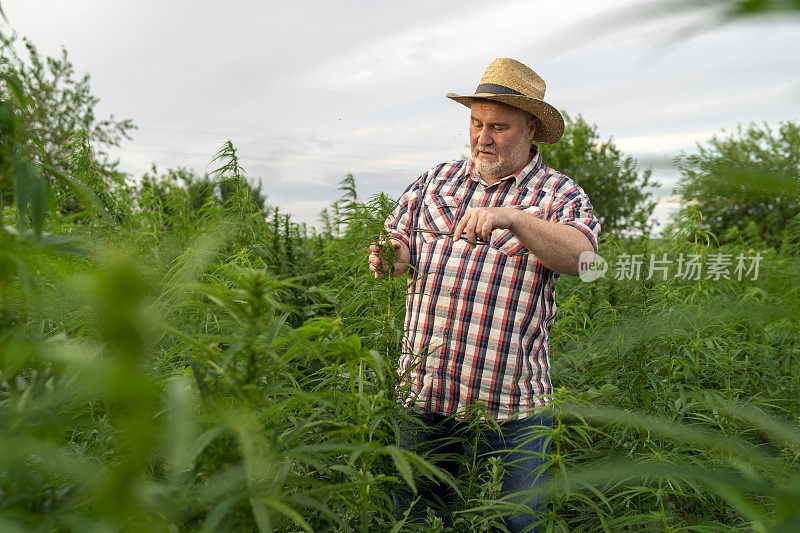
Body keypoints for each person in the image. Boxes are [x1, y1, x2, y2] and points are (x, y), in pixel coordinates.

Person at [368, 58, 601, 531]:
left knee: (514, 522)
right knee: (416, 518)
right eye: (475, 124)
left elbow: (586, 262)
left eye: (498, 127)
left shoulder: (557, 194)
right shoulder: (435, 180)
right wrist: (392, 257)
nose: (482, 137)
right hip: (424, 392)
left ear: (531, 127)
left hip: (511, 405)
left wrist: (515, 218)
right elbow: (400, 245)